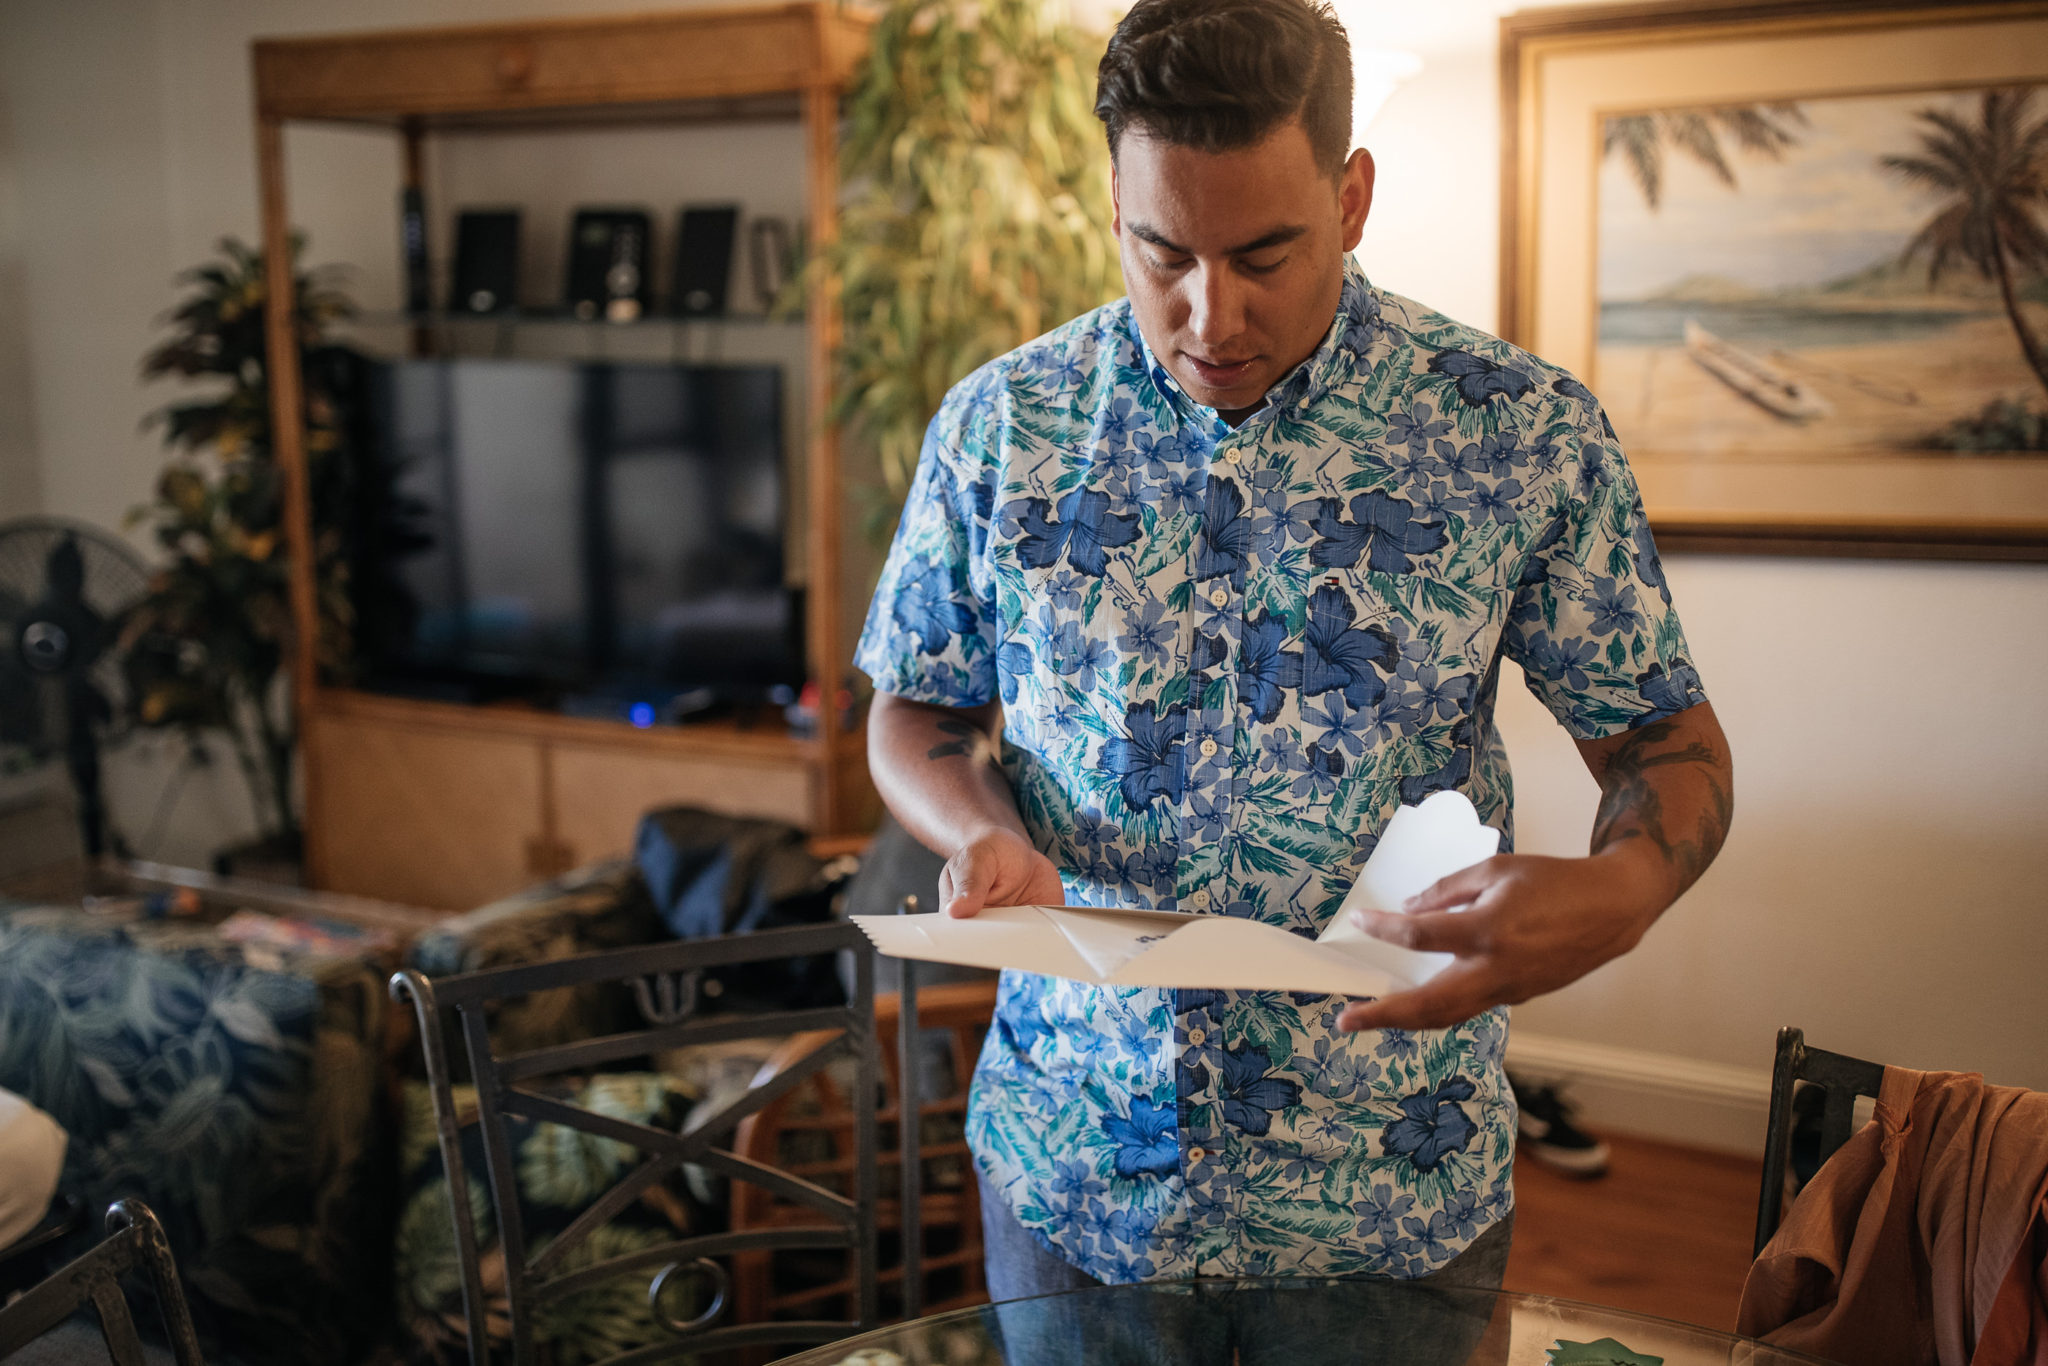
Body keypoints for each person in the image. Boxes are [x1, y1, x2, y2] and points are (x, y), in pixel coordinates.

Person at [855, 0, 1735, 1310]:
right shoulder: (1002, 427)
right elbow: (916, 708)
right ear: (1113, 203)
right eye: (1164, 252)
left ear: (1353, 195)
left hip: (1393, 1189)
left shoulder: (1521, 434)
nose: (1211, 313)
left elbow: (1668, 742)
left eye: (1266, 251)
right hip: (1079, 1170)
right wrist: (975, 826)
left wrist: (1624, 892)